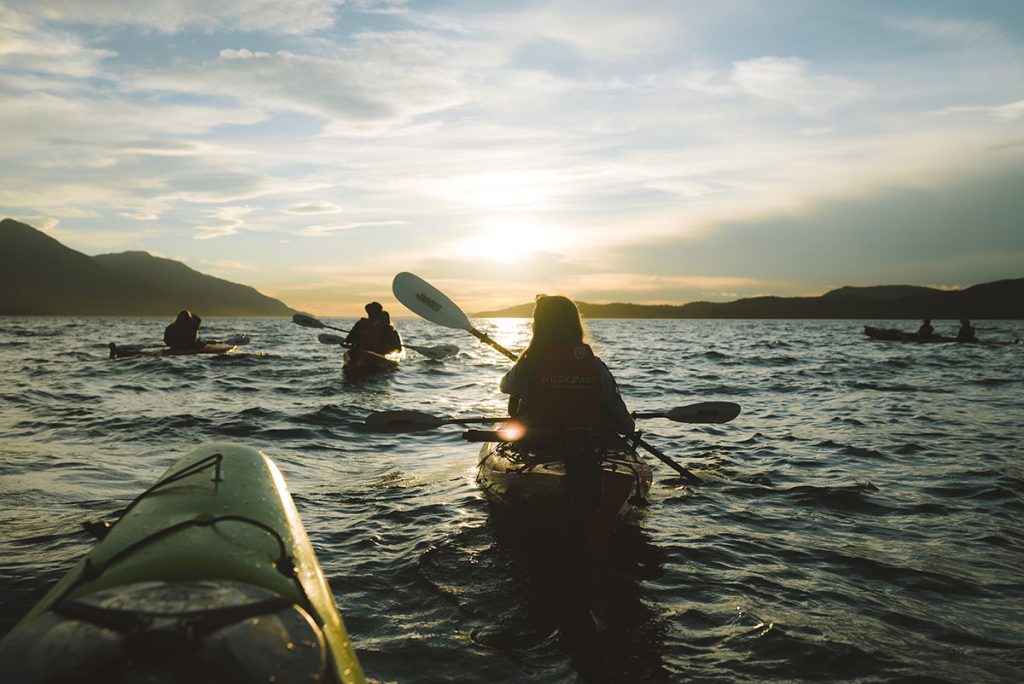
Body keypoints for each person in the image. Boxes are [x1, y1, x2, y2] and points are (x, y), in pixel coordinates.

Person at [499, 295, 634, 440]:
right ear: (576, 324)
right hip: (587, 442)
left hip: (538, 441)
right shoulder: (596, 366)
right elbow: (627, 427)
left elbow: (505, 386)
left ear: (538, 327)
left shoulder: (527, 365)